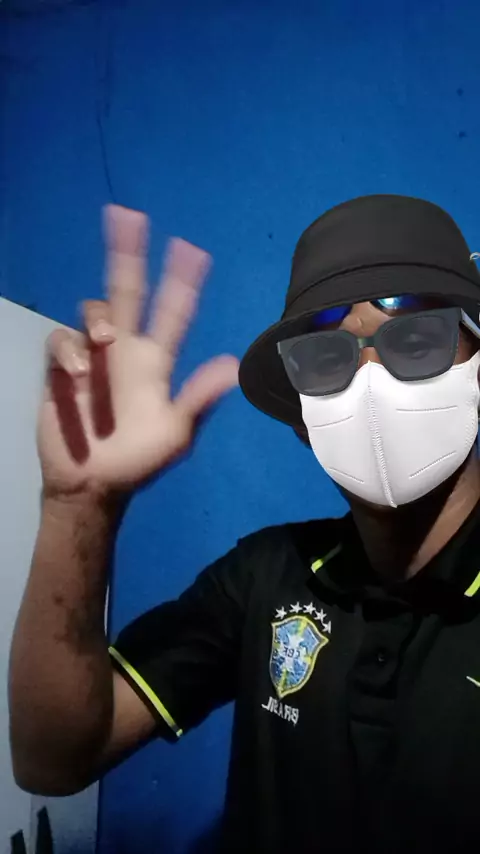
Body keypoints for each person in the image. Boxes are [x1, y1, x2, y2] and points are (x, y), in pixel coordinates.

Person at [9, 195, 480, 854]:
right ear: (303, 421)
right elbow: (53, 760)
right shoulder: (265, 578)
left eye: (417, 340)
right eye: (327, 360)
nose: (370, 385)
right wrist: (78, 504)